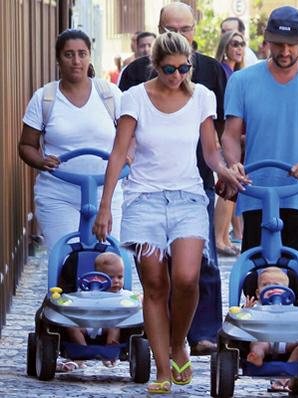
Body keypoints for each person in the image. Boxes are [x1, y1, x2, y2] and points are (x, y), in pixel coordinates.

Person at [93, 31, 244, 394]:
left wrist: (224, 171)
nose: (176, 76)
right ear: (155, 65)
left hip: (188, 197)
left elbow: (209, 151)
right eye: (168, 69)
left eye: (183, 68)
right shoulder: (134, 98)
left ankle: (179, 343)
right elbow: (118, 153)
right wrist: (105, 206)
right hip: (143, 199)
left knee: (188, 277)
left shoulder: (202, 97)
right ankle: (163, 370)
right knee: (155, 284)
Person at [119, 2, 229, 357]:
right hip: (148, 189)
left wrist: (226, 168)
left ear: (195, 30)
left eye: (186, 29)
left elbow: (221, 129)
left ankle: (203, 332)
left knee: (198, 268)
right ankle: (164, 343)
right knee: (156, 275)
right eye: (172, 28)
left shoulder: (211, 72)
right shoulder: (135, 74)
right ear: (159, 30)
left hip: (196, 183)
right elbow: (123, 134)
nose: (180, 35)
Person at [220, 6, 298, 273]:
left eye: (292, 45)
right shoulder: (242, 81)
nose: (285, 52)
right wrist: (233, 164)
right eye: (278, 45)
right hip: (256, 193)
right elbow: (229, 135)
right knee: (257, 283)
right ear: (266, 40)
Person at [18, 29, 123, 248]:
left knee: (109, 260)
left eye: (82, 54)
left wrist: (129, 154)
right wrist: (40, 161)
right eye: (69, 54)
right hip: (58, 193)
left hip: (105, 192)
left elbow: (130, 137)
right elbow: (26, 145)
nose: (76, 61)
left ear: (89, 56)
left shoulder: (110, 95)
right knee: (67, 260)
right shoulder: (45, 97)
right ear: (58, 59)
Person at [242, 267, 298, 392]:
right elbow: (240, 323)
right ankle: (256, 356)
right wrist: (246, 311)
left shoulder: (295, 307)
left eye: (276, 285)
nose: (271, 288)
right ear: (258, 292)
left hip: (289, 340)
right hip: (264, 339)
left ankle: (291, 363)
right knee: (257, 345)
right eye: (265, 285)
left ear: (288, 291)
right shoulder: (255, 306)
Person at [212, 29, 247, 257]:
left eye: (242, 44)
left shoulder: (238, 74)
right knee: (227, 188)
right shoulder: (223, 73)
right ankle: (218, 238)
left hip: (236, 138)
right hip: (224, 136)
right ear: (225, 47)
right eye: (234, 43)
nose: (239, 48)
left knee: (234, 189)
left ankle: (225, 236)